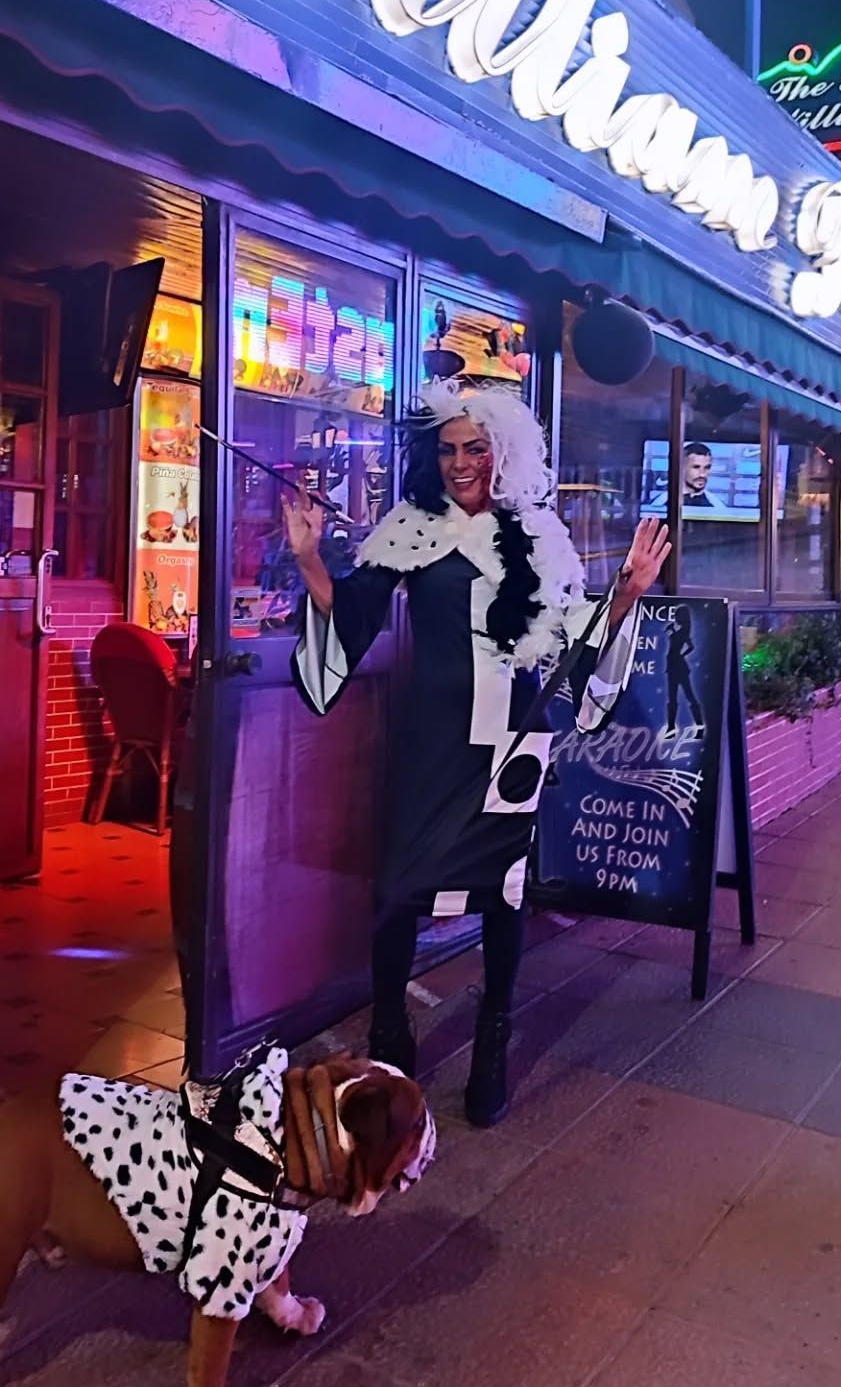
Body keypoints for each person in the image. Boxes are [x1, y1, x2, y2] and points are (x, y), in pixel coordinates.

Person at [286, 381, 670, 1127]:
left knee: (503, 894)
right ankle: (392, 1036)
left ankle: (492, 1040)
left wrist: (624, 594)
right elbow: (356, 614)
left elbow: (569, 639)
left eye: (477, 447)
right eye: (449, 449)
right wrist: (307, 559)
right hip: (428, 737)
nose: (461, 462)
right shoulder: (411, 526)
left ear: (505, 452)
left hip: (510, 740)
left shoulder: (540, 534)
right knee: (397, 888)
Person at [666, 604, 705, 734]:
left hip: (678, 666)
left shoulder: (683, 632)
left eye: (676, 615)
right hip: (672, 665)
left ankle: (699, 725)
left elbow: (690, 646)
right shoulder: (681, 631)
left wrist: (681, 655)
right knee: (673, 697)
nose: (675, 618)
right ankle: (671, 726)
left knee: (688, 695)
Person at [682, 441, 717, 509]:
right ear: (681, 468)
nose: (702, 474)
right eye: (696, 467)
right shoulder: (659, 503)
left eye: (707, 467)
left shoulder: (718, 506)